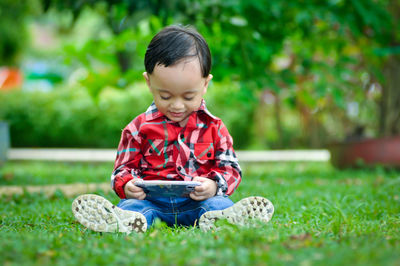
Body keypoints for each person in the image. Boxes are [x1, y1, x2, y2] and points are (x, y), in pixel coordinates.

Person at [72, 25, 274, 234]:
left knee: (218, 205)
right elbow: (122, 169)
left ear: (205, 84)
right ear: (149, 82)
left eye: (188, 97)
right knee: (132, 208)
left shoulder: (214, 128)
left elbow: (230, 168)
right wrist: (127, 185)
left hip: (197, 202)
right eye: (165, 96)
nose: (177, 106)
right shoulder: (138, 129)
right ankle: (125, 221)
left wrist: (213, 186)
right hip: (152, 203)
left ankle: (221, 219)